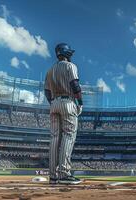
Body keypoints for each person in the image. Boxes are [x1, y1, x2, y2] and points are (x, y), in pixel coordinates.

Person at [44, 43, 83, 185]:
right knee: (68, 135)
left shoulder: (50, 71)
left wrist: (54, 104)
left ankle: (53, 176)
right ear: (67, 54)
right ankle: (64, 174)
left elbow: (47, 92)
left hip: (54, 103)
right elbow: (75, 85)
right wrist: (80, 103)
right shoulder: (70, 66)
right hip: (68, 102)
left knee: (54, 138)